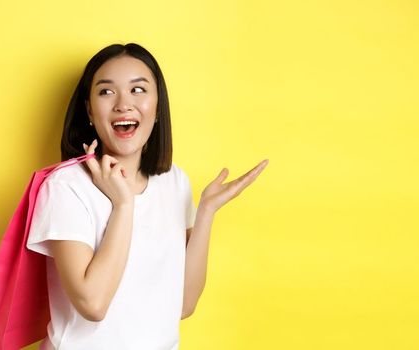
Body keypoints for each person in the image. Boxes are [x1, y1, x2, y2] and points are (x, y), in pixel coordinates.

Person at [26, 43, 268, 350]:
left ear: (157, 110)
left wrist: (206, 211)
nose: (123, 104)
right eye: (106, 91)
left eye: (138, 90)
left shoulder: (174, 181)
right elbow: (93, 304)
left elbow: (182, 304)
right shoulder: (66, 186)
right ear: (89, 110)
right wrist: (123, 204)